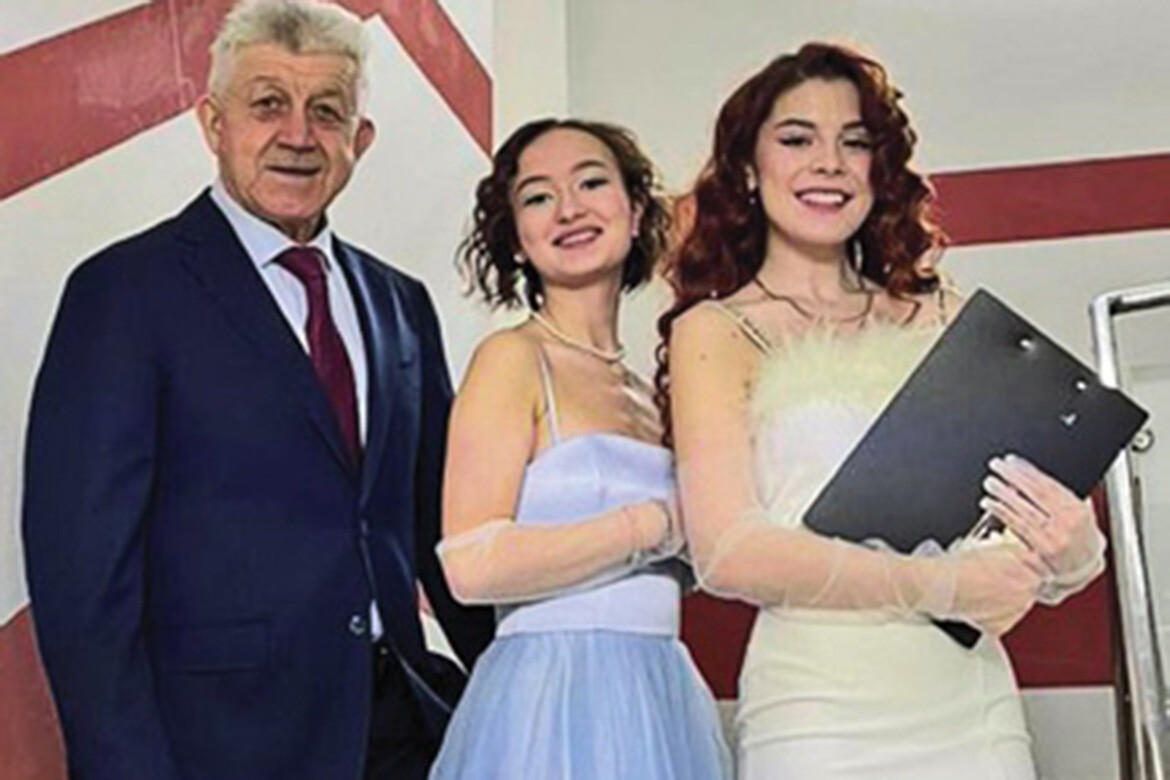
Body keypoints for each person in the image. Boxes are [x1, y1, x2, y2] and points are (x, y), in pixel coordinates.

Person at [21, 1, 492, 778]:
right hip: (217, 745)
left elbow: (441, 528)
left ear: (360, 140)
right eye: (268, 104)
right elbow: (82, 579)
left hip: (403, 732)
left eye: (327, 111)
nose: (298, 135)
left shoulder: (400, 304)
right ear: (214, 124)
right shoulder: (124, 293)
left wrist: (528, 680)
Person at [658, 43, 1106, 780]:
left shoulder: (942, 313)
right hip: (816, 714)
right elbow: (729, 552)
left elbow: (1025, 526)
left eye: (856, 142)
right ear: (748, 168)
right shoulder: (714, 330)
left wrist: (1072, 552)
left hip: (972, 711)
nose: (829, 163)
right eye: (797, 138)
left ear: (880, 168)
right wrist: (940, 586)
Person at [426, 118, 730, 780]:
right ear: (516, 237)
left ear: (636, 209)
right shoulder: (512, 359)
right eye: (538, 196)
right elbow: (469, 566)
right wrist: (652, 525)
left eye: (591, 183)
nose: (568, 209)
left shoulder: (651, 389)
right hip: (550, 695)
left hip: (661, 690)